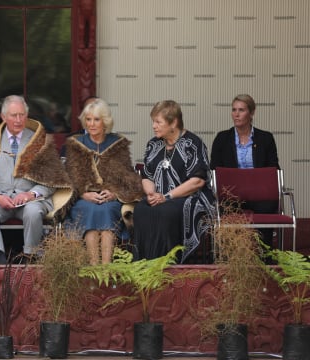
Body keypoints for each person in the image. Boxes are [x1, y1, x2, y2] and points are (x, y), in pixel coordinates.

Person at [0, 95, 73, 264]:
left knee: (33, 211)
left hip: (30, 201)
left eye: (22, 115)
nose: (19, 120)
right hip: (1, 199)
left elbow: (51, 181)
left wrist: (31, 194)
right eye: (14, 115)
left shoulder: (40, 141)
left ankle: (29, 256)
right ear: (3, 116)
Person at [64, 99, 143, 265]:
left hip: (111, 198)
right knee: (91, 211)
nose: (91, 124)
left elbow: (128, 177)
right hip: (83, 199)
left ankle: (106, 270)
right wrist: (84, 194)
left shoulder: (117, 144)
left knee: (107, 213)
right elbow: (69, 178)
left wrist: (114, 193)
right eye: (88, 119)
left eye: (96, 119)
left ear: (105, 121)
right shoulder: (76, 144)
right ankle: (95, 269)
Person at [134, 100, 214, 263]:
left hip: (189, 197)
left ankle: (169, 264)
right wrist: (151, 194)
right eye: (153, 122)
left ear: (174, 122)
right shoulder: (153, 144)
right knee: (141, 209)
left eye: (158, 122)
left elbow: (197, 181)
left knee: (166, 211)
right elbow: (147, 176)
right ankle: (143, 265)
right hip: (160, 197)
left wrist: (167, 196)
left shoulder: (193, 144)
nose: (154, 126)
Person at [210, 94, 280, 248]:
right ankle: (230, 257)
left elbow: (273, 169)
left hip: (260, 195)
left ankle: (265, 255)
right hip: (231, 195)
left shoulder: (265, 138)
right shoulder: (222, 138)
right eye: (234, 110)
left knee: (268, 206)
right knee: (225, 207)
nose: (236, 114)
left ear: (251, 112)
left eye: (241, 110)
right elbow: (214, 170)